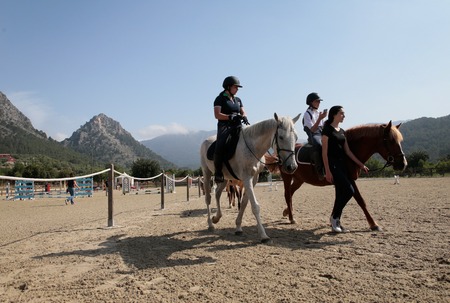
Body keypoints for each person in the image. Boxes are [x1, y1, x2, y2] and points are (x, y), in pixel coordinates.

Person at [322, 105, 369, 233]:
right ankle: (334, 217)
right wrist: (327, 170)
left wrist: (360, 164)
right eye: (342, 113)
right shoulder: (327, 130)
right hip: (333, 164)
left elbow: (347, 151)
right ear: (334, 115)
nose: (344, 116)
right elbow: (324, 152)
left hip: (342, 164)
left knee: (340, 194)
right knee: (349, 190)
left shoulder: (342, 131)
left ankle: (336, 222)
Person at [213, 76, 250, 183]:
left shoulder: (238, 100)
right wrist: (230, 117)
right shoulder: (219, 99)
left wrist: (244, 116)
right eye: (235, 87)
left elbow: (243, 111)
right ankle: (218, 172)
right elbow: (217, 115)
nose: (237, 89)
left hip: (237, 125)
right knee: (220, 144)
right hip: (225, 126)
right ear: (228, 87)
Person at [303, 92, 328, 179]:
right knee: (319, 145)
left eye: (319, 101)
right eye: (317, 101)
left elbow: (323, 126)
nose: (319, 103)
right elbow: (312, 129)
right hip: (313, 135)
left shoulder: (318, 113)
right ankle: (320, 170)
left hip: (321, 133)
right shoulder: (307, 114)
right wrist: (320, 118)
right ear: (311, 102)